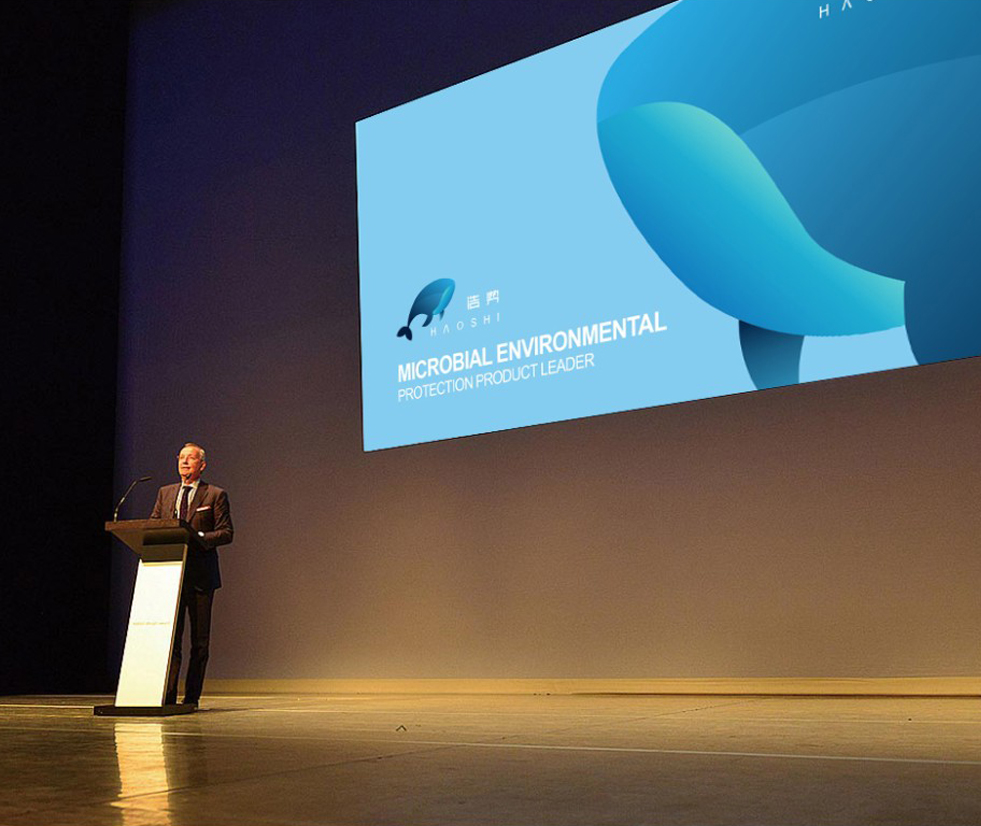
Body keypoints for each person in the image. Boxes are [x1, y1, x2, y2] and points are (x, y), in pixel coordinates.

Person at [149, 442, 233, 707]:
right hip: (170, 575)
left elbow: (226, 533)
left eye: (191, 458)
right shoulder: (165, 493)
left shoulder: (215, 494)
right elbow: (154, 524)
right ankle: (168, 696)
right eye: (181, 458)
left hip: (201, 577)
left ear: (202, 465)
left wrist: (198, 537)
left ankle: (192, 697)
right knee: (171, 640)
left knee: (199, 642)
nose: (184, 462)